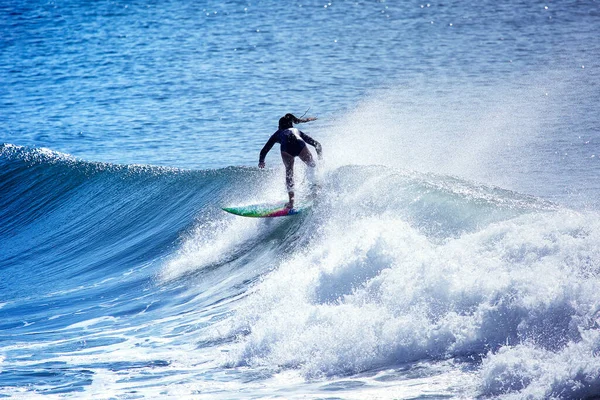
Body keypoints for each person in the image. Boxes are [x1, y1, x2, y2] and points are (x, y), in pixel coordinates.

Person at [258, 113, 322, 209]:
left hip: (286, 149)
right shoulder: (296, 130)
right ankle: (317, 187)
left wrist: (261, 161)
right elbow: (316, 144)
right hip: (300, 146)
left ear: (279, 126)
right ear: (291, 125)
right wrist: (320, 158)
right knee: (312, 166)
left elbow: (264, 149)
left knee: (289, 173)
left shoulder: (278, 133)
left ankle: (291, 203)